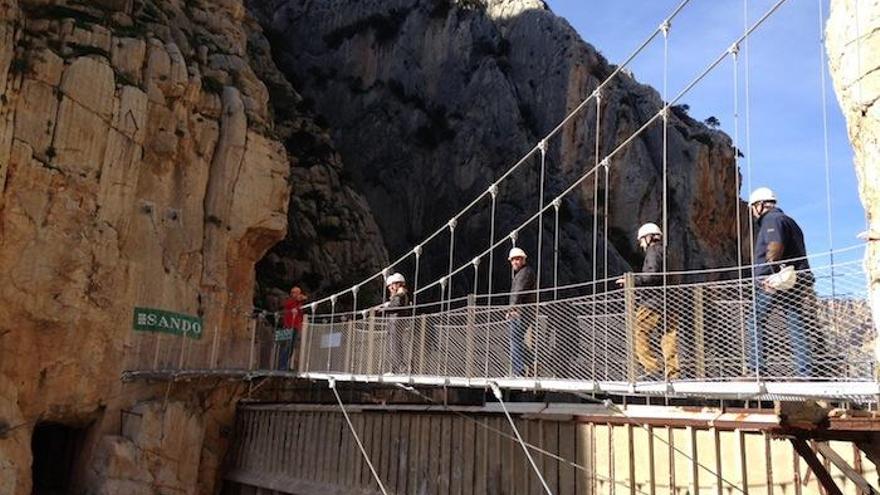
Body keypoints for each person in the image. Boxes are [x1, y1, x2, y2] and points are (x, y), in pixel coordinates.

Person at [745, 187, 814, 377]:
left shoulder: (771, 220)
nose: (752, 212)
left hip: (777, 280)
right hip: (795, 277)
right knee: (795, 321)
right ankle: (804, 372)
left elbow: (775, 247)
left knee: (754, 320)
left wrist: (768, 276)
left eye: (753, 207)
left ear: (760, 205)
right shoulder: (790, 221)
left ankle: (757, 370)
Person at [616, 223, 680, 380]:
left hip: (653, 302)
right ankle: (673, 373)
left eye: (641, 240)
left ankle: (652, 367)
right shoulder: (668, 253)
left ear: (648, 237)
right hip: (671, 301)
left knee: (639, 331)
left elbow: (651, 275)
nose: (641, 244)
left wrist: (631, 281)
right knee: (668, 336)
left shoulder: (653, 251)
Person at [507, 247, 536, 376]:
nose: (515, 262)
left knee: (514, 339)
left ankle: (518, 371)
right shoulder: (524, 273)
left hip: (521, 311)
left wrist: (512, 309)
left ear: (524, 260)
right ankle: (532, 362)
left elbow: (518, 291)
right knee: (516, 339)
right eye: (513, 260)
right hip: (525, 310)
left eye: (518, 259)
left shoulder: (525, 273)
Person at [380, 272, 410, 373]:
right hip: (395, 323)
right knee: (393, 345)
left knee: (395, 346)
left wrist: (384, 309)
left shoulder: (400, 294)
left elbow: (397, 306)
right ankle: (396, 369)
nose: (390, 288)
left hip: (396, 323)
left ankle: (401, 368)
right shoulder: (400, 294)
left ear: (396, 284)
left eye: (391, 286)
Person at [279, 286, 307, 370]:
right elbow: (286, 305)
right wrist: (297, 300)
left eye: (298, 293)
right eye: (295, 293)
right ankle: (282, 366)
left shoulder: (299, 303)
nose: (297, 295)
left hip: (295, 327)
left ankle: (284, 365)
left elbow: (300, 314)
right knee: (286, 347)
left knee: (290, 348)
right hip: (287, 326)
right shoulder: (289, 301)